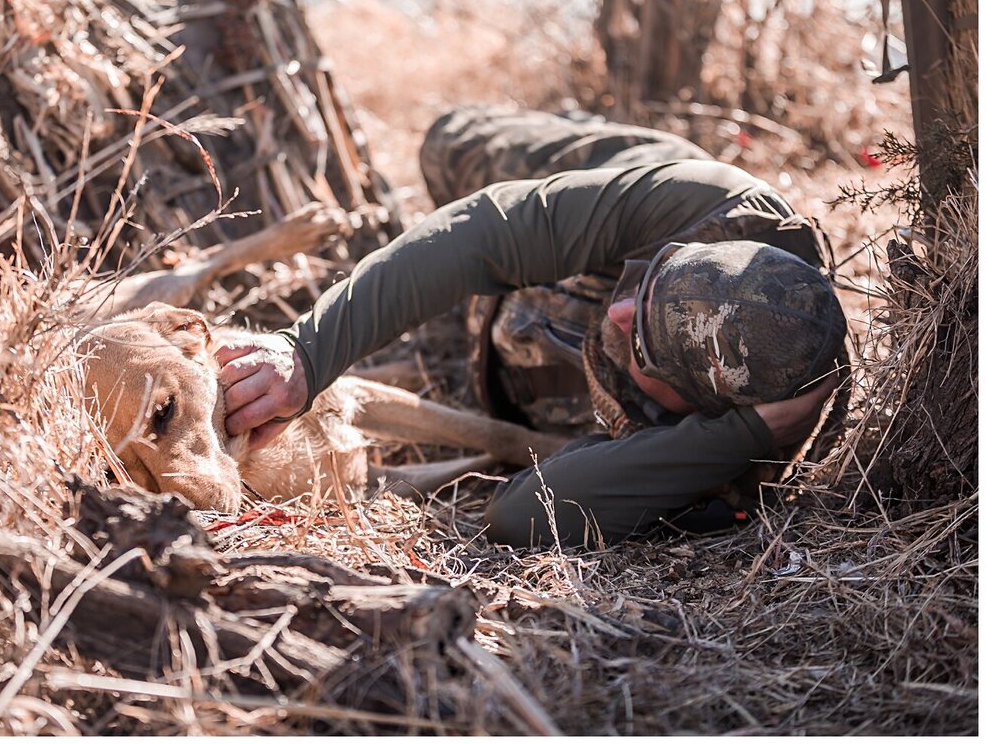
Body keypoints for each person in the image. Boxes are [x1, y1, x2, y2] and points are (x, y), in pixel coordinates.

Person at [215, 107, 847, 548]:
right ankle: (574, 125)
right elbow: (488, 230)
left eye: (646, 346)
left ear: (703, 409)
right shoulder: (708, 203)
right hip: (599, 178)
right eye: (648, 285)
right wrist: (306, 352)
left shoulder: (731, 450)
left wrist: (737, 440)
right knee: (448, 140)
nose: (622, 315)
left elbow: (522, 513)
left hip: (524, 343)